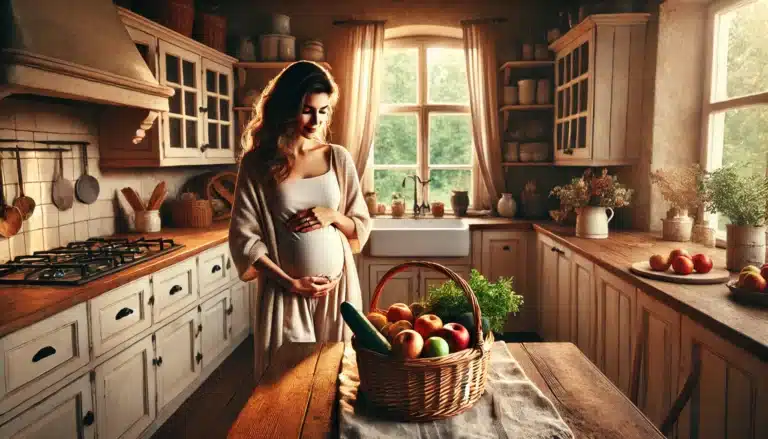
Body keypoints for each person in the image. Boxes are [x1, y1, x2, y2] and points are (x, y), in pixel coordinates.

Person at [228, 61, 371, 378]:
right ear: (286, 105)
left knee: (337, 377)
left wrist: (333, 215)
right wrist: (290, 282)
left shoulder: (337, 157)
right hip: (285, 293)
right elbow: (244, 238)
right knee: (284, 382)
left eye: (323, 111)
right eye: (307, 109)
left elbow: (360, 224)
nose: (315, 120)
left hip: (338, 292)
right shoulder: (258, 163)